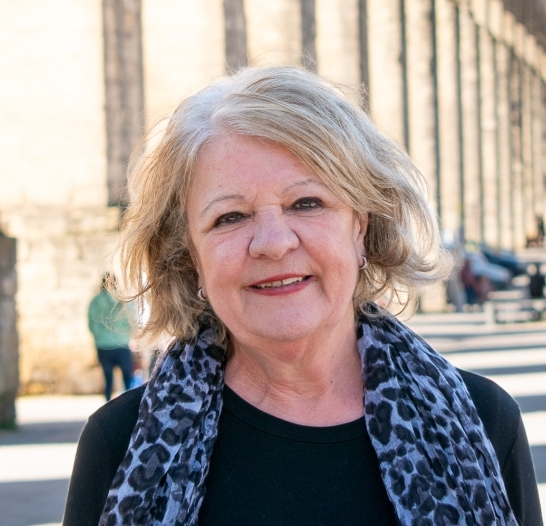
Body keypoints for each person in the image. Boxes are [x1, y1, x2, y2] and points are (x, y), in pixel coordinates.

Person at [64, 67, 542, 526]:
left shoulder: (484, 421)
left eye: (306, 203)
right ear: (191, 258)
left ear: (361, 227)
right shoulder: (118, 444)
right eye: (230, 217)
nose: (273, 242)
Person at [87, 273, 133, 401]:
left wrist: (101, 336)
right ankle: (128, 404)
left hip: (103, 346)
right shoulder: (123, 301)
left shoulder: (95, 301)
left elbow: (92, 325)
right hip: (122, 344)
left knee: (108, 379)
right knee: (127, 379)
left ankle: (107, 404)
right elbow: (132, 321)